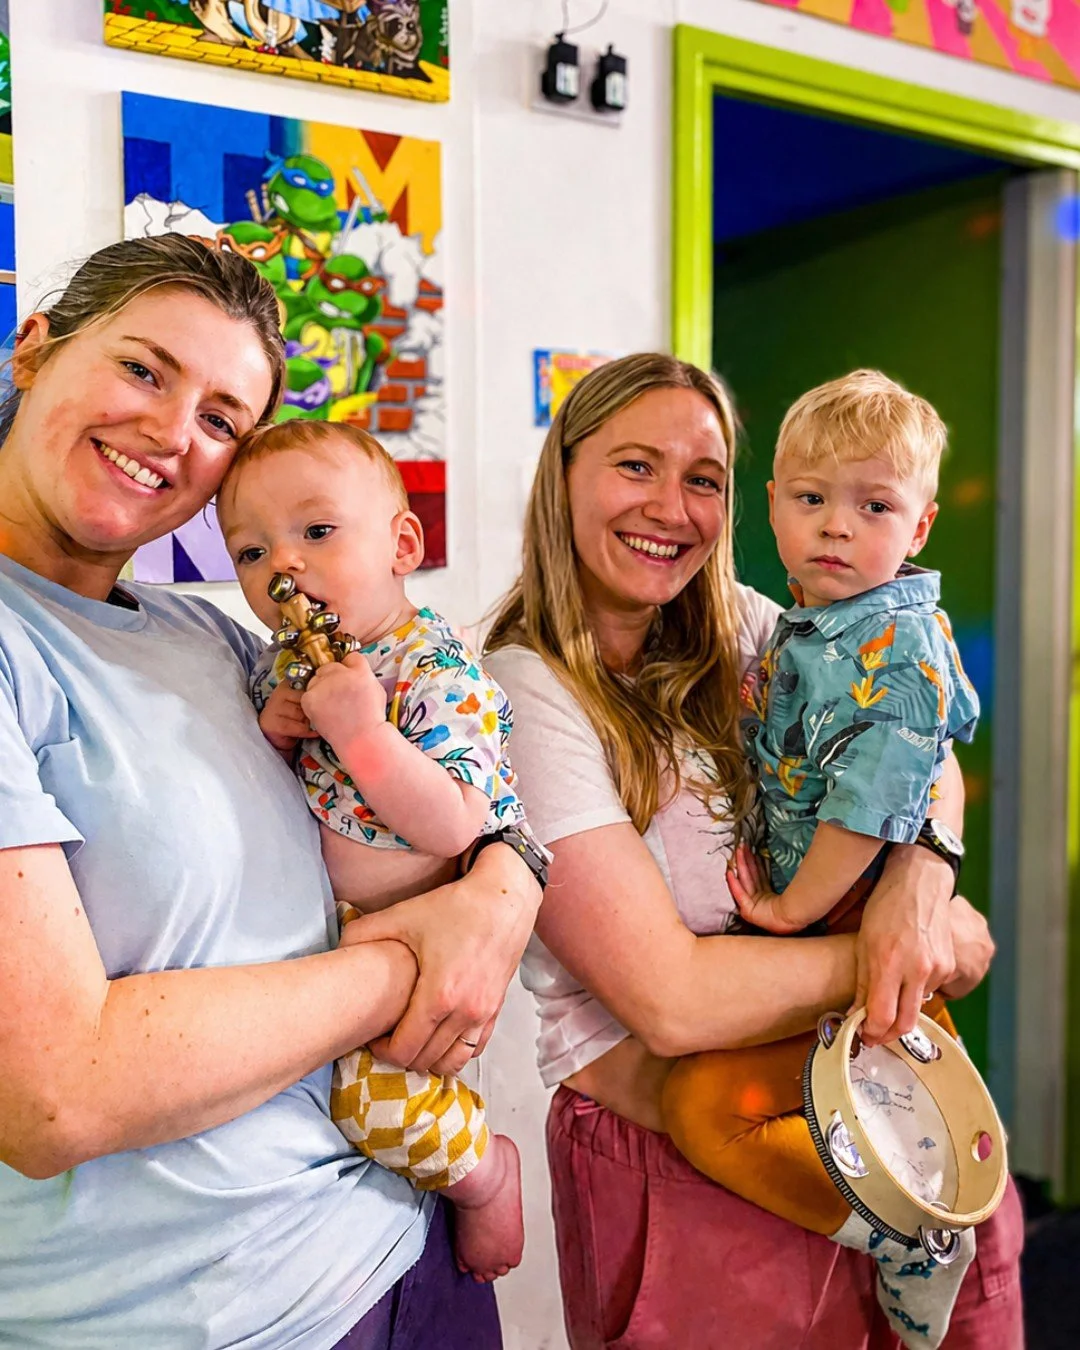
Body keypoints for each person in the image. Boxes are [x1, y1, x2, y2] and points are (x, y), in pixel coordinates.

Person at [0, 233, 542, 1349]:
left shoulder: (216, 634)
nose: (170, 432)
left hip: (408, 1248)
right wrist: (408, 956)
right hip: (204, 1316)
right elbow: (58, 1092)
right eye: (145, 370)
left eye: (219, 419)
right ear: (34, 348)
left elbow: (448, 780)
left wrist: (501, 887)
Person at [483, 353, 1023, 1349]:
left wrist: (922, 873)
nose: (672, 507)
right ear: (563, 474)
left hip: (866, 1114)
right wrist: (918, 950)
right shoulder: (522, 692)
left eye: (702, 477)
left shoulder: (759, 629)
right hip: (681, 1166)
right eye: (635, 466)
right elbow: (672, 1001)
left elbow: (919, 740)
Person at [661, 370, 982, 1350]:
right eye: (812, 500)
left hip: (850, 915)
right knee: (753, 1109)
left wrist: (800, 909)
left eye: (873, 506)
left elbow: (880, 797)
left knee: (891, 1106)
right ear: (774, 506)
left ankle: (918, 1235)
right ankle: (905, 1224)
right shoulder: (810, 623)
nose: (837, 528)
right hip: (839, 914)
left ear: (919, 526)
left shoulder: (890, 644)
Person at [217, 418, 527, 1283]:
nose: (284, 568)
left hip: (412, 933)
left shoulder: (436, 669)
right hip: (337, 933)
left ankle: (486, 1175)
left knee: (372, 1100)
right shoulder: (289, 667)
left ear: (402, 544)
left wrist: (362, 734)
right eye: (249, 553)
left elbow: (460, 821)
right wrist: (278, 732)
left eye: (316, 532)